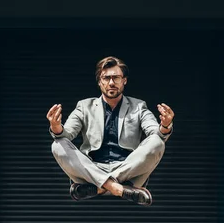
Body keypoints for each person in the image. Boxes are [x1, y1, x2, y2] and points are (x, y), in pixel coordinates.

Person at [47, 56, 174, 206]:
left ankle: (100, 188)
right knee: (58, 145)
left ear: (124, 80)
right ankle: (118, 189)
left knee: (157, 143)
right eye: (106, 78)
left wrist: (165, 126)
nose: (111, 83)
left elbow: (156, 133)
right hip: (92, 167)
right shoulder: (84, 106)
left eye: (116, 77)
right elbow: (66, 135)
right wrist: (56, 127)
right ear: (100, 81)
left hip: (127, 169)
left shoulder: (139, 106)